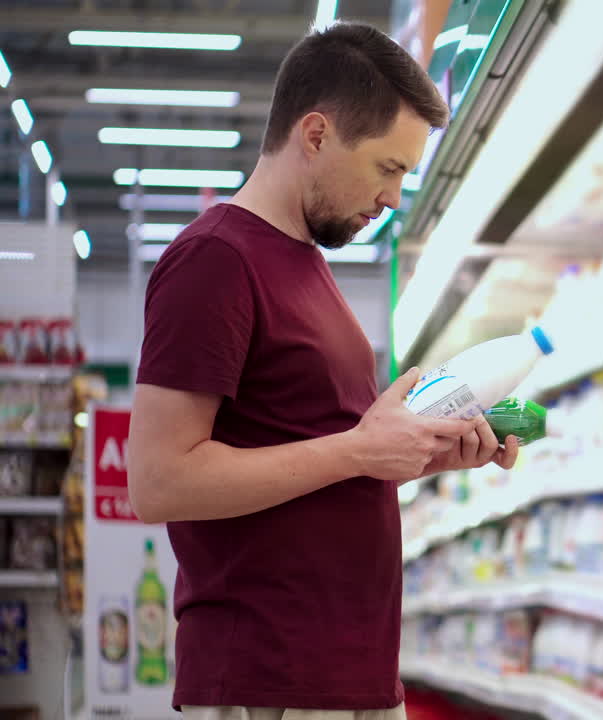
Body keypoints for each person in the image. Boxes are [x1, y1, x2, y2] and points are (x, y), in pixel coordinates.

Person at [126, 21, 517, 719]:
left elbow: (319, 454)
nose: (394, 197)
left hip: (345, 677)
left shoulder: (306, 266)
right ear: (315, 135)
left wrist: (415, 454)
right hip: (270, 680)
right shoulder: (216, 259)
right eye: (387, 167)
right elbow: (158, 481)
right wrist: (359, 449)